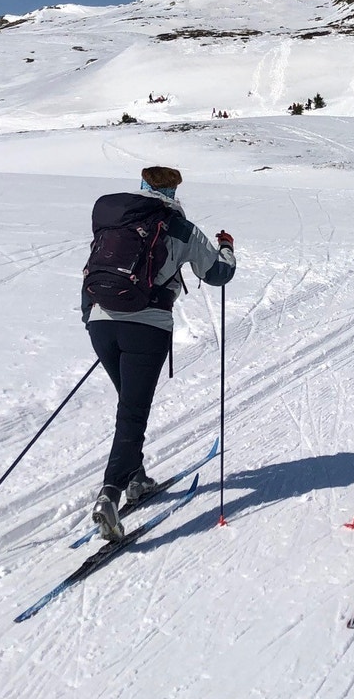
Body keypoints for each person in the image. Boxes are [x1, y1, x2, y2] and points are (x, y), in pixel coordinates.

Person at [82, 166, 237, 540]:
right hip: (146, 326)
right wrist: (228, 247)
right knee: (133, 412)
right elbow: (218, 274)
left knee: (128, 406)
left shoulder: (113, 216)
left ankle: (135, 478)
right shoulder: (177, 225)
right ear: (173, 188)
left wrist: (93, 318)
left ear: (142, 184)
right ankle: (110, 494)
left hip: (101, 322)